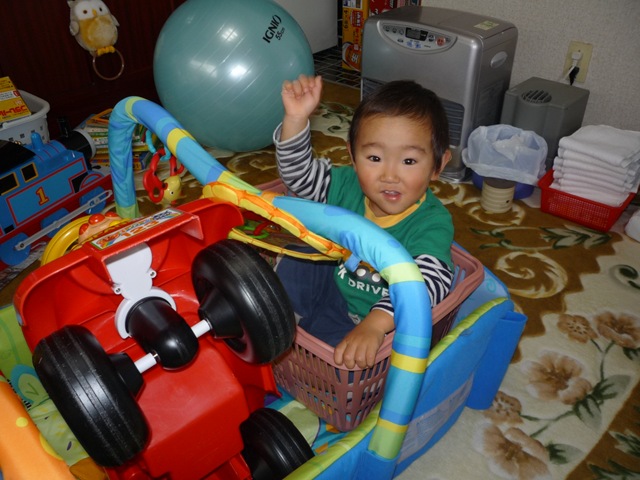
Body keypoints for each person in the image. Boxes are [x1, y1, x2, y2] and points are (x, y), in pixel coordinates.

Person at [273, 74, 454, 369]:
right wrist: (295, 119)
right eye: (374, 158)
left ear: (438, 165)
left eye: (409, 161)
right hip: (335, 290)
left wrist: (375, 325)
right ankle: (279, 313)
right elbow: (299, 178)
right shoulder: (347, 185)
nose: (390, 175)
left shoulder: (432, 223)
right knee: (302, 246)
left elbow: (425, 285)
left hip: (382, 322)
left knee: (344, 369)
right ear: (353, 156)